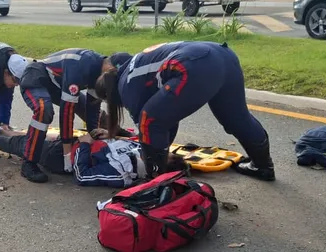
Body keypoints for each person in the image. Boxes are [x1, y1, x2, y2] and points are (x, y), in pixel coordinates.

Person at [95, 42, 275, 181]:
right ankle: (263, 166)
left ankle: (156, 183)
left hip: (192, 65)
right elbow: (167, 115)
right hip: (224, 56)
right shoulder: (134, 67)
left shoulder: (126, 86)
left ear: (111, 97)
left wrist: (153, 161)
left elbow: (149, 129)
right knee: (237, 118)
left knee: (148, 120)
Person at [16, 48, 118, 183]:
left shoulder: (99, 72)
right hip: (37, 77)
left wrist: (93, 136)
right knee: (44, 110)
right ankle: (28, 163)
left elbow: (92, 106)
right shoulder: (79, 67)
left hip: (58, 84)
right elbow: (66, 112)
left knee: (84, 107)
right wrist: (67, 152)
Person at [0, 126, 186, 187]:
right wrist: (108, 135)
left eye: (163, 156)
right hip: (75, 144)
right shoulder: (141, 150)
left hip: (59, 157)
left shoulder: (121, 174)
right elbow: (122, 142)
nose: (158, 151)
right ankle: (3, 129)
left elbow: (82, 175)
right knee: (32, 136)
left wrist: (85, 145)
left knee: (19, 145)